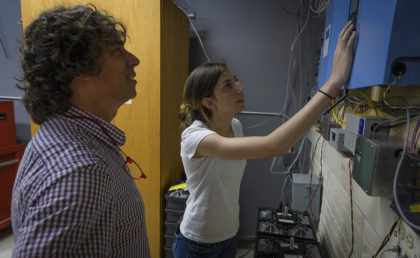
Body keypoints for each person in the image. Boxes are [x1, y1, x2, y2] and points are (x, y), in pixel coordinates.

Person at [173, 21, 356, 258]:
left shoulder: (235, 126)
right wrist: (333, 82)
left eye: (235, 80)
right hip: (197, 243)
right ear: (209, 102)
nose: (241, 87)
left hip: (229, 236)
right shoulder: (195, 138)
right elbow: (274, 146)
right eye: (228, 85)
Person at [11, 4, 150, 257]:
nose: (134, 60)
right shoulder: (81, 169)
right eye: (118, 51)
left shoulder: (62, 134)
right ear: (75, 65)